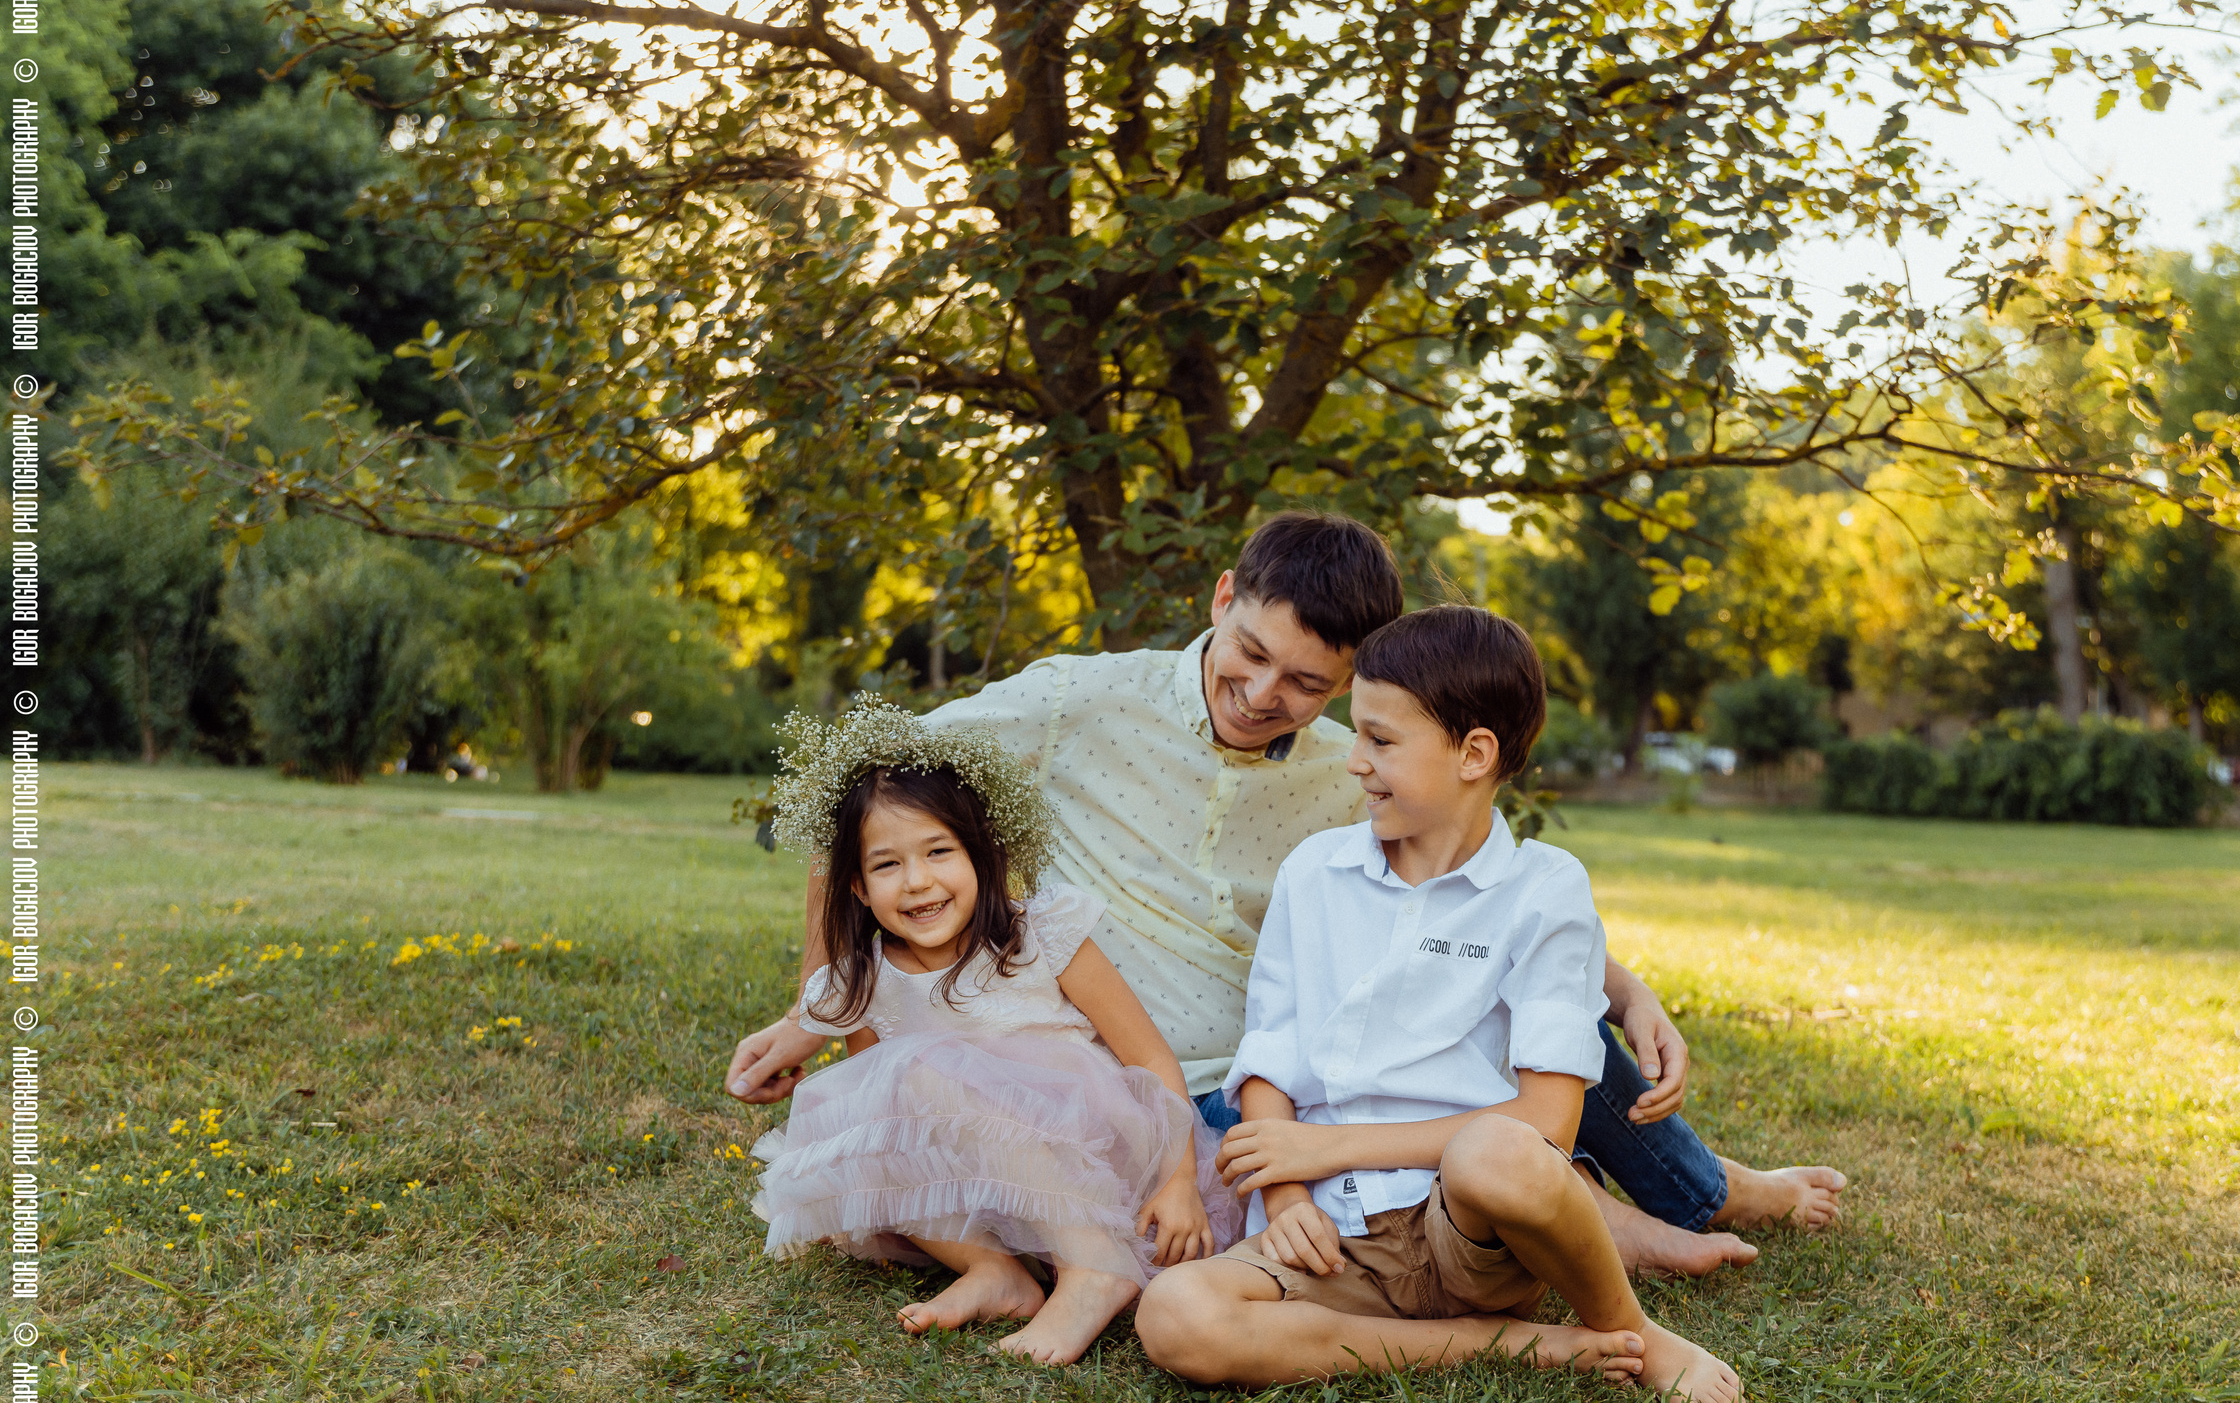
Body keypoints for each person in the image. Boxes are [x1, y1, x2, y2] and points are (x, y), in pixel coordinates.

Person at [729, 511, 1842, 1274]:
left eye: (1308, 683)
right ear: (1222, 594)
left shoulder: (1347, 764)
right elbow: (857, 798)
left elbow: (1481, 890)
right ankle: (1608, 1224)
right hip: (1173, 1089)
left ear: (1353, 678)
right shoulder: (1076, 701)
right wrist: (830, 1008)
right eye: (1248, 653)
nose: (1263, 695)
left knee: (1539, 1018)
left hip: (1323, 1050)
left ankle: (1712, 1188)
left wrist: (1626, 986)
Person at [1136, 606, 1740, 1403]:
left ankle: (1632, 1331)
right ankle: (1523, 1345)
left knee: (1501, 1151)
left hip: (1468, 1226)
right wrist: (1285, 1203)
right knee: (1175, 1316)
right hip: (1333, 1235)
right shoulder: (1314, 872)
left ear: (1474, 753)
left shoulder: (1544, 890)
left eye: (1380, 741)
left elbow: (1551, 1125)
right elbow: (1270, 1053)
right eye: (1357, 735)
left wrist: (1324, 1143)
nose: (1354, 762)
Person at [743, 698, 1240, 1366]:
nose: (918, 881)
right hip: (995, 1192)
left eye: (939, 851)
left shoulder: (1040, 934)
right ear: (857, 886)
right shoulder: (861, 980)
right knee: (863, 1124)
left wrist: (1178, 1179)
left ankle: (1093, 1264)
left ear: (982, 854)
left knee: (918, 1071)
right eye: (887, 865)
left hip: (1090, 1158)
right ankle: (997, 1271)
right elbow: (882, 1116)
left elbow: (1147, 1053)